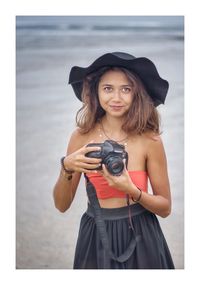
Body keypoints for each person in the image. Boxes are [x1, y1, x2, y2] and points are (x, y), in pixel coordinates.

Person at [53, 52, 175, 269]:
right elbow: (62, 205)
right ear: (96, 92)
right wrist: (66, 167)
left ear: (136, 94)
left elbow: (165, 208)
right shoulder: (81, 137)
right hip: (95, 234)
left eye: (126, 89)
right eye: (108, 88)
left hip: (142, 233)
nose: (116, 98)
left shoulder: (149, 140)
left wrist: (133, 191)